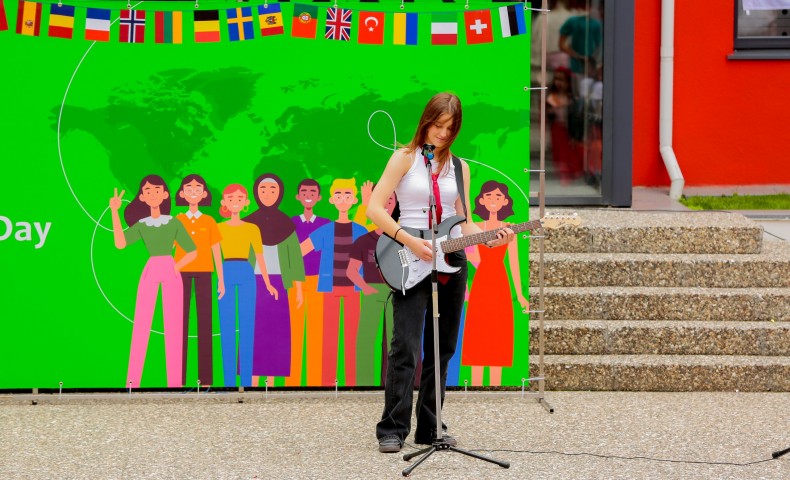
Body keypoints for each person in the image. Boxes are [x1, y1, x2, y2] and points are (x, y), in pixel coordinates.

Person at [366, 93, 516, 453]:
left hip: (450, 262)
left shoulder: (459, 168)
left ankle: (429, 428)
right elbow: (374, 209)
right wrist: (408, 240)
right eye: (437, 126)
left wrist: (491, 239)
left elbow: (462, 223)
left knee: (442, 348)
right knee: (405, 345)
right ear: (425, 121)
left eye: (450, 129)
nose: (442, 134)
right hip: (409, 254)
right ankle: (392, 427)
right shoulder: (404, 158)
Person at [110, 175, 197, 388]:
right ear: (141, 197)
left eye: (157, 189)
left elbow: (193, 251)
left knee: (174, 326)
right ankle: (132, 382)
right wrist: (114, 211)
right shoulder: (143, 225)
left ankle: (175, 383)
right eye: (147, 190)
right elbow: (120, 244)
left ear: (165, 194)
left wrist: (176, 266)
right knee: (141, 323)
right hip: (150, 270)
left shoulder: (173, 222)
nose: (152, 193)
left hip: (171, 270)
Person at [300, 178, 368, 386]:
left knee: (351, 338)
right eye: (338, 194)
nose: (343, 199)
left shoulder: (360, 230)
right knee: (328, 336)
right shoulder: (326, 230)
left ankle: (352, 383)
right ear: (331, 200)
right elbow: (301, 251)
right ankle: (327, 381)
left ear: (354, 199)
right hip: (329, 288)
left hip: (354, 290)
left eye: (348, 195)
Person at [462, 181, 529, 387]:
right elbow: (466, 258)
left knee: (498, 333)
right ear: (481, 200)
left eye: (498, 197)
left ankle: (495, 385)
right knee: (477, 332)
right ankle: (473, 385)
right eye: (489, 196)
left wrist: (520, 296)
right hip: (480, 282)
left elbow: (514, 265)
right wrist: (464, 289)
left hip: (500, 282)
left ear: (505, 202)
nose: (493, 200)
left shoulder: (509, 229)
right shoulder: (474, 227)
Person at [244, 173, 305, 385]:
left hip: (279, 282)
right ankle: (251, 379)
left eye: (272, 190)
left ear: (279, 193)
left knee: (275, 331)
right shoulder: (248, 222)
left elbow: (295, 259)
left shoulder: (286, 223)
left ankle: (270, 380)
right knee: (252, 329)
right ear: (256, 193)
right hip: (252, 281)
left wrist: (297, 289)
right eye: (263, 190)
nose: (268, 194)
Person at [216, 184, 276, 387]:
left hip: (246, 272)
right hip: (226, 270)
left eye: (239, 198)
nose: (235, 202)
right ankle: (228, 382)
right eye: (231, 198)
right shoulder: (219, 227)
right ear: (224, 203)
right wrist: (221, 281)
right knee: (226, 327)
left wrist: (268, 282)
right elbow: (216, 255)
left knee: (247, 327)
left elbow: (260, 257)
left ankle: (247, 381)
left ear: (245, 203)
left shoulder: (252, 228)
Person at [174, 174, 224, 387]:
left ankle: (206, 379)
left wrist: (221, 279)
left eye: (198, 188)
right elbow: (169, 249)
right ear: (182, 194)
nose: (193, 192)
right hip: (179, 275)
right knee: (180, 325)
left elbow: (216, 250)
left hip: (205, 273)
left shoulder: (210, 221)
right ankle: (179, 378)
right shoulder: (177, 220)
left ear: (204, 194)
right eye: (189, 188)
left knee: (205, 326)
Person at [345, 190, 398, 387]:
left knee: (395, 339)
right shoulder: (363, 241)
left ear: (395, 204)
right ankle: (364, 382)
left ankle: (392, 383)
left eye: (390, 199)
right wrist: (365, 288)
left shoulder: (402, 238)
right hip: (372, 293)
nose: (386, 204)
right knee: (367, 338)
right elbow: (351, 271)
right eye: (382, 199)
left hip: (396, 292)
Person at [287, 179, 331, 386]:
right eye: (304, 191)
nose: (308, 194)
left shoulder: (325, 224)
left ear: (319, 197)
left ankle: (314, 379)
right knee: (293, 332)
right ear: (297, 196)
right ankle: (291, 379)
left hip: (317, 282)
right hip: (295, 281)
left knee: (316, 332)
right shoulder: (290, 224)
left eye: (313, 191)